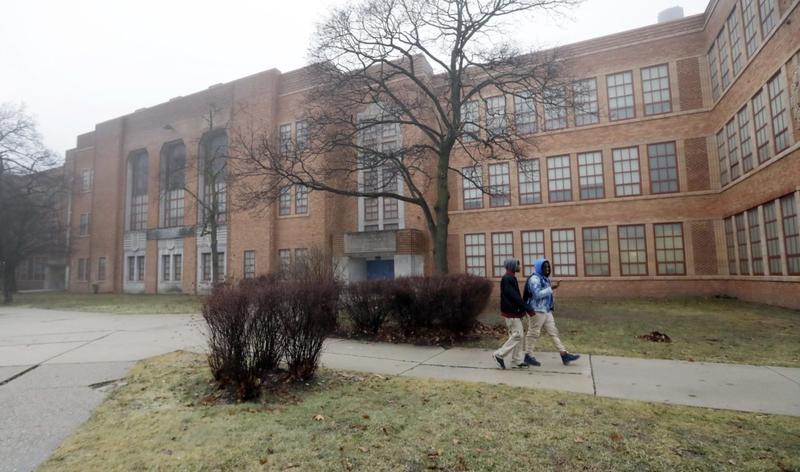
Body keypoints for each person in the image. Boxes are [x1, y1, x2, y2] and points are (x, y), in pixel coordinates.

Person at [522, 257, 580, 366]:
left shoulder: (544, 278)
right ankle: (528, 356)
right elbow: (537, 294)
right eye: (545, 267)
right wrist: (551, 288)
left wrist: (551, 295)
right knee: (533, 333)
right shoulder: (534, 279)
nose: (548, 269)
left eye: (548, 267)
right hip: (536, 310)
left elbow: (547, 295)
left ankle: (564, 354)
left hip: (546, 310)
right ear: (539, 267)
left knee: (553, 332)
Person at [493, 258, 531, 369]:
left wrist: (522, 310)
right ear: (512, 266)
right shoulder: (507, 278)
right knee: (518, 335)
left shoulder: (511, 278)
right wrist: (527, 308)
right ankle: (499, 354)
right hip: (511, 312)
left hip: (514, 312)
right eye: (518, 264)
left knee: (519, 335)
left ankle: (516, 361)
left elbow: (515, 297)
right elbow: (514, 296)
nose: (520, 266)